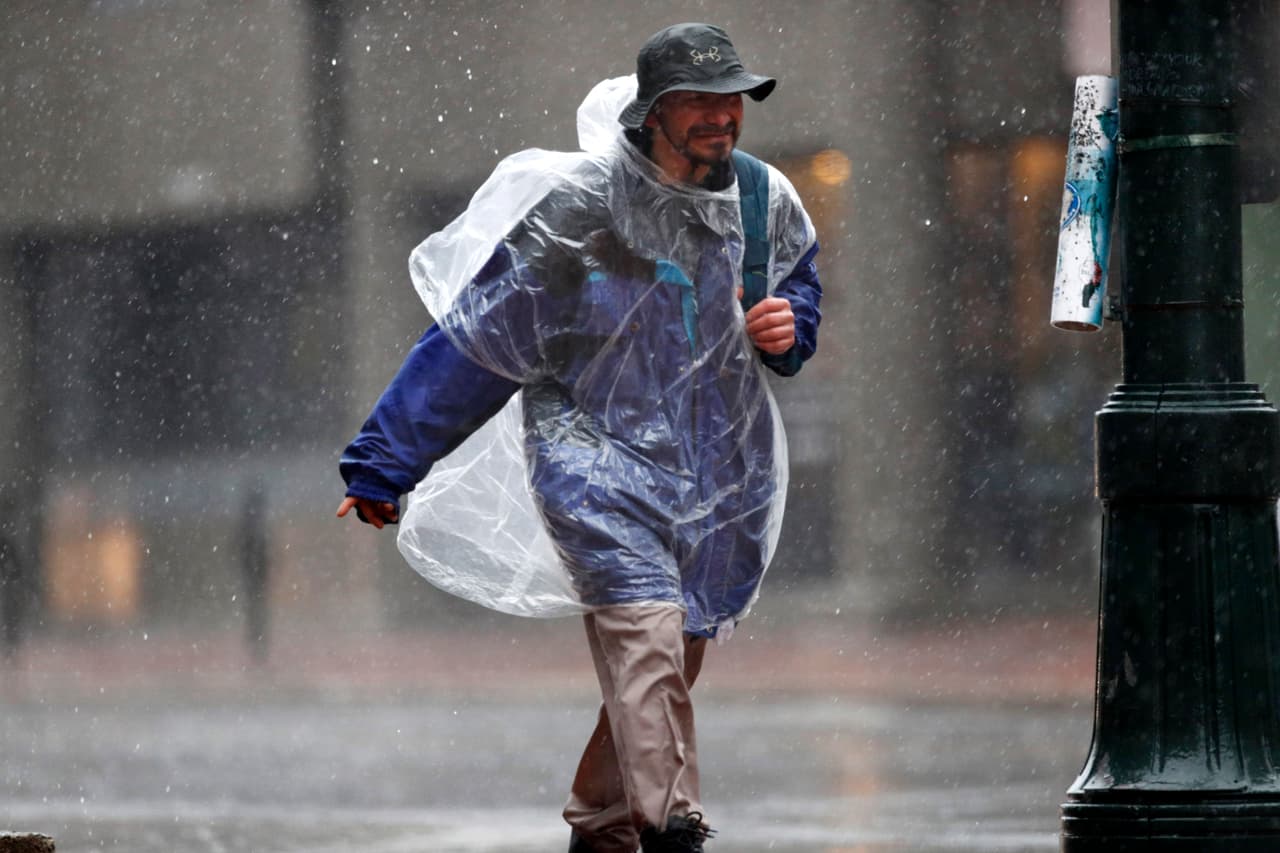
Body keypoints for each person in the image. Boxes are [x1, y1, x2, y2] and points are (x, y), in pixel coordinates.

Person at [337, 22, 822, 853]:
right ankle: (671, 827)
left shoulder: (761, 196)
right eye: (698, 101)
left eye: (732, 99)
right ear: (653, 111)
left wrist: (790, 327)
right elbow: (478, 341)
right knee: (647, 636)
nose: (722, 116)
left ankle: (602, 825)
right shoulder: (581, 209)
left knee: (669, 658)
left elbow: (794, 285)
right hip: (593, 461)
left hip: (720, 467)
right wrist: (385, 461)